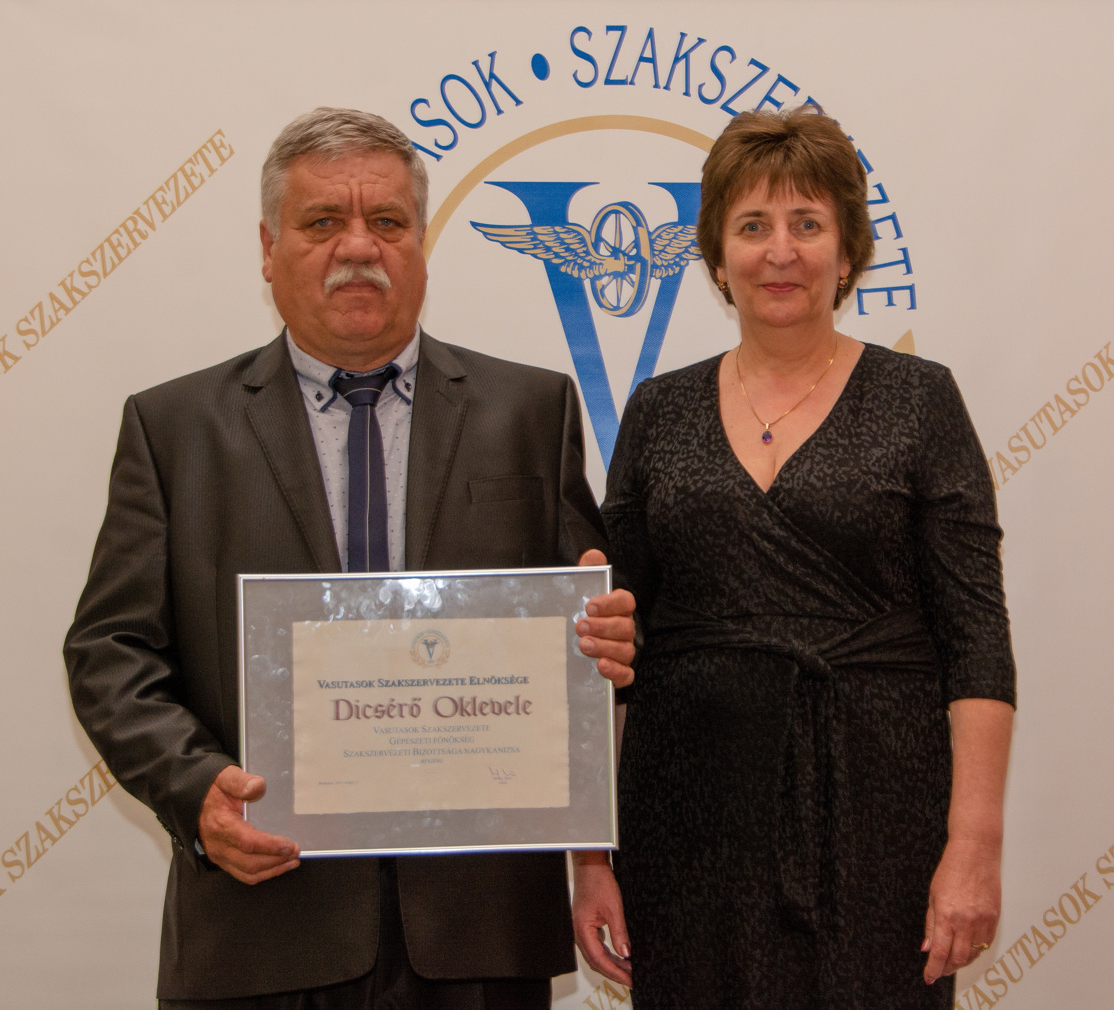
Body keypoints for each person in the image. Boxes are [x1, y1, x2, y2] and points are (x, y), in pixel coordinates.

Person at [64, 107, 636, 1010]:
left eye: (388, 222)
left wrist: (606, 644)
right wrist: (197, 790)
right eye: (322, 221)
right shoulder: (173, 430)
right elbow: (109, 654)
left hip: (479, 930)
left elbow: (585, 646)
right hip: (261, 923)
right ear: (268, 248)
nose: (358, 247)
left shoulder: (531, 410)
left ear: (421, 245)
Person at [572, 105, 1016, 1008]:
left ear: (847, 253)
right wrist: (589, 857)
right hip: (686, 816)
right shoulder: (656, 411)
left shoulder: (921, 401)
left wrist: (973, 849)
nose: (781, 251)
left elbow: (977, 644)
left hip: (880, 809)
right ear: (716, 256)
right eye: (753, 226)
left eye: (807, 224)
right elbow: (609, 653)